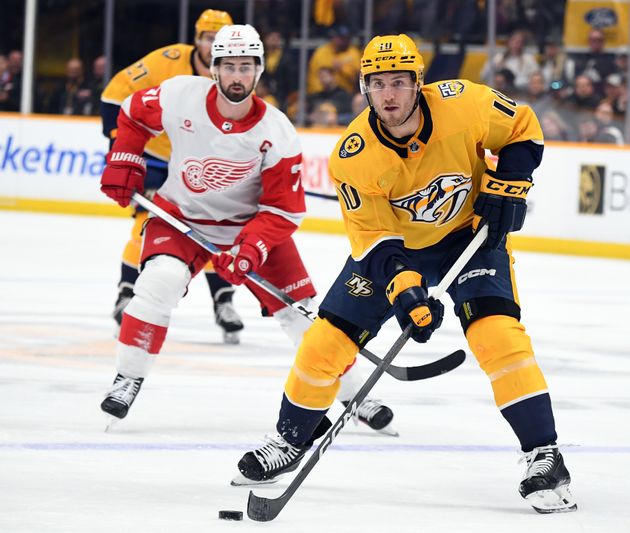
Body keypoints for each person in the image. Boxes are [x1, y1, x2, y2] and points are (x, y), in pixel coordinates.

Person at [234, 33, 577, 514]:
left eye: (399, 82)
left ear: (419, 83)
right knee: (325, 343)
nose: (389, 95)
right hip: (396, 252)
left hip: (468, 236)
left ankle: (544, 454)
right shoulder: (354, 156)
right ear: (364, 88)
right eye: (378, 84)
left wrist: (509, 185)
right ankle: (290, 440)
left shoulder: (465, 104)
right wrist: (407, 292)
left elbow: (523, 127)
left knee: (498, 336)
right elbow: (375, 241)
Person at [97, 24, 397, 434]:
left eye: (246, 67)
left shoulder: (276, 131)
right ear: (215, 69)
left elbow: (283, 209)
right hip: (182, 218)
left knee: (303, 317)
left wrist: (252, 247)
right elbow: (131, 111)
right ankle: (128, 376)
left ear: (258, 71)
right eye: (229, 67)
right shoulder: (180, 94)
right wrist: (125, 158)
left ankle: (355, 395)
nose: (237, 76)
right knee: (159, 281)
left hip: (249, 228)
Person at [100, 9, 245, 343]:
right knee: (146, 223)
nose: (212, 45)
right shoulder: (168, 60)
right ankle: (126, 294)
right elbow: (114, 92)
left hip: (200, 160)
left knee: (215, 231)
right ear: (196, 38)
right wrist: (117, 141)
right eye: (207, 38)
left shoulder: (235, 73)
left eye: (218, 39)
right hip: (155, 155)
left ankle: (223, 302)